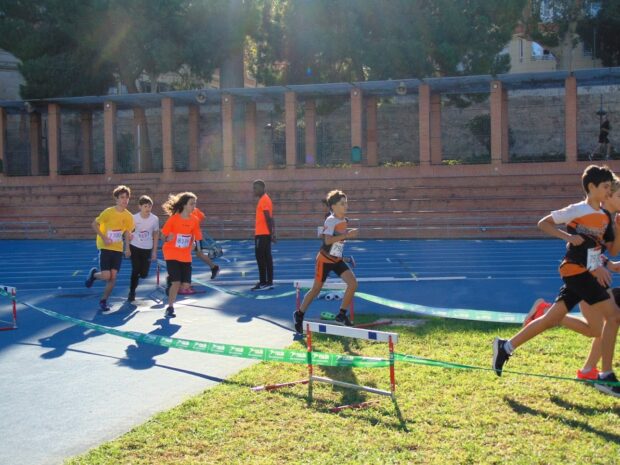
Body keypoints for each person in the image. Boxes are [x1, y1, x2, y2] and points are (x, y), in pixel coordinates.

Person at [492, 165, 620, 398]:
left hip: (586, 271)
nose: (608, 192)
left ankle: (506, 346)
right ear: (592, 188)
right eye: (606, 188)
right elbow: (544, 222)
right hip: (577, 270)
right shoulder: (578, 209)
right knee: (613, 316)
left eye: (611, 189)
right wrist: (568, 236)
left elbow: (608, 249)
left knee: (560, 321)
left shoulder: (604, 217)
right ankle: (606, 375)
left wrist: (616, 232)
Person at [522, 176, 620, 381]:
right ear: (607, 196)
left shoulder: (608, 219)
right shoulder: (594, 215)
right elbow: (583, 247)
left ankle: (589, 370)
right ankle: (593, 370)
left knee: (602, 326)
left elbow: (603, 250)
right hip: (584, 276)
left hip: (592, 274)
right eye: (618, 195)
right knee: (604, 324)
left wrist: (608, 264)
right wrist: (601, 265)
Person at [293, 190, 359, 333]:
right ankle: (299, 314)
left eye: (346, 203)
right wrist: (347, 235)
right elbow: (327, 240)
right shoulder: (330, 220)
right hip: (324, 260)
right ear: (333, 206)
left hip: (336, 259)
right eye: (342, 204)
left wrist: (345, 239)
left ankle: (341, 314)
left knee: (353, 284)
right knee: (316, 289)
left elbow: (338, 242)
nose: (346, 206)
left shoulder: (344, 220)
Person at [85, 185, 135, 313]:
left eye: (127, 197)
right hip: (105, 246)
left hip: (118, 249)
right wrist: (104, 237)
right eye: (122, 197)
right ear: (117, 199)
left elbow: (127, 233)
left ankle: (103, 300)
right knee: (106, 276)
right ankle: (94, 275)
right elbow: (94, 224)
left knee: (113, 277)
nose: (125, 200)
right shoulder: (108, 212)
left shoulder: (129, 216)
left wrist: (127, 248)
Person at [160, 192, 203, 318]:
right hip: (171, 253)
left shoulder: (194, 220)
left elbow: (196, 236)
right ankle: (170, 308)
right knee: (177, 282)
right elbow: (163, 236)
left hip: (185, 255)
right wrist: (168, 238)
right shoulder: (174, 219)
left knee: (186, 285)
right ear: (184, 205)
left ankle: (170, 282)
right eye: (191, 204)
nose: (194, 206)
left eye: (195, 204)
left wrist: (194, 244)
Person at [178, 205, 220, 295]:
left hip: (194, 236)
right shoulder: (188, 209)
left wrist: (194, 223)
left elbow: (201, 216)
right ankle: (213, 267)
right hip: (188, 235)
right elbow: (202, 216)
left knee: (191, 256)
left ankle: (185, 282)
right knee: (195, 255)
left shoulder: (192, 210)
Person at [127, 195, 159, 302]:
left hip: (147, 248)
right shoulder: (134, 218)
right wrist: (127, 247)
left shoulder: (154, 219)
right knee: (135, 270)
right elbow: (128, 232)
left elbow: (155, 234)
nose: (148, 209)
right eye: (145, 206)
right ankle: (132, 292)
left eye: (150, 206)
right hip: (135, 246)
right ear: (140, 207)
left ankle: (141, 275)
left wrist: (154, 251)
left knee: (144, 274)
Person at [251, 180, 275, 291]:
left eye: (255, 188)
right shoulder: (265, 199)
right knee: (266, 258)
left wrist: (271, 233)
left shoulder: (264, 200)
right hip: (264, 233)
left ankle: (263, 282)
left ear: (262, 187)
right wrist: (272, 233)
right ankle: (268, 282)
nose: (254, 190)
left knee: (261, 258)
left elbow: (268, 218)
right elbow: (271, 218)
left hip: (262, 234)